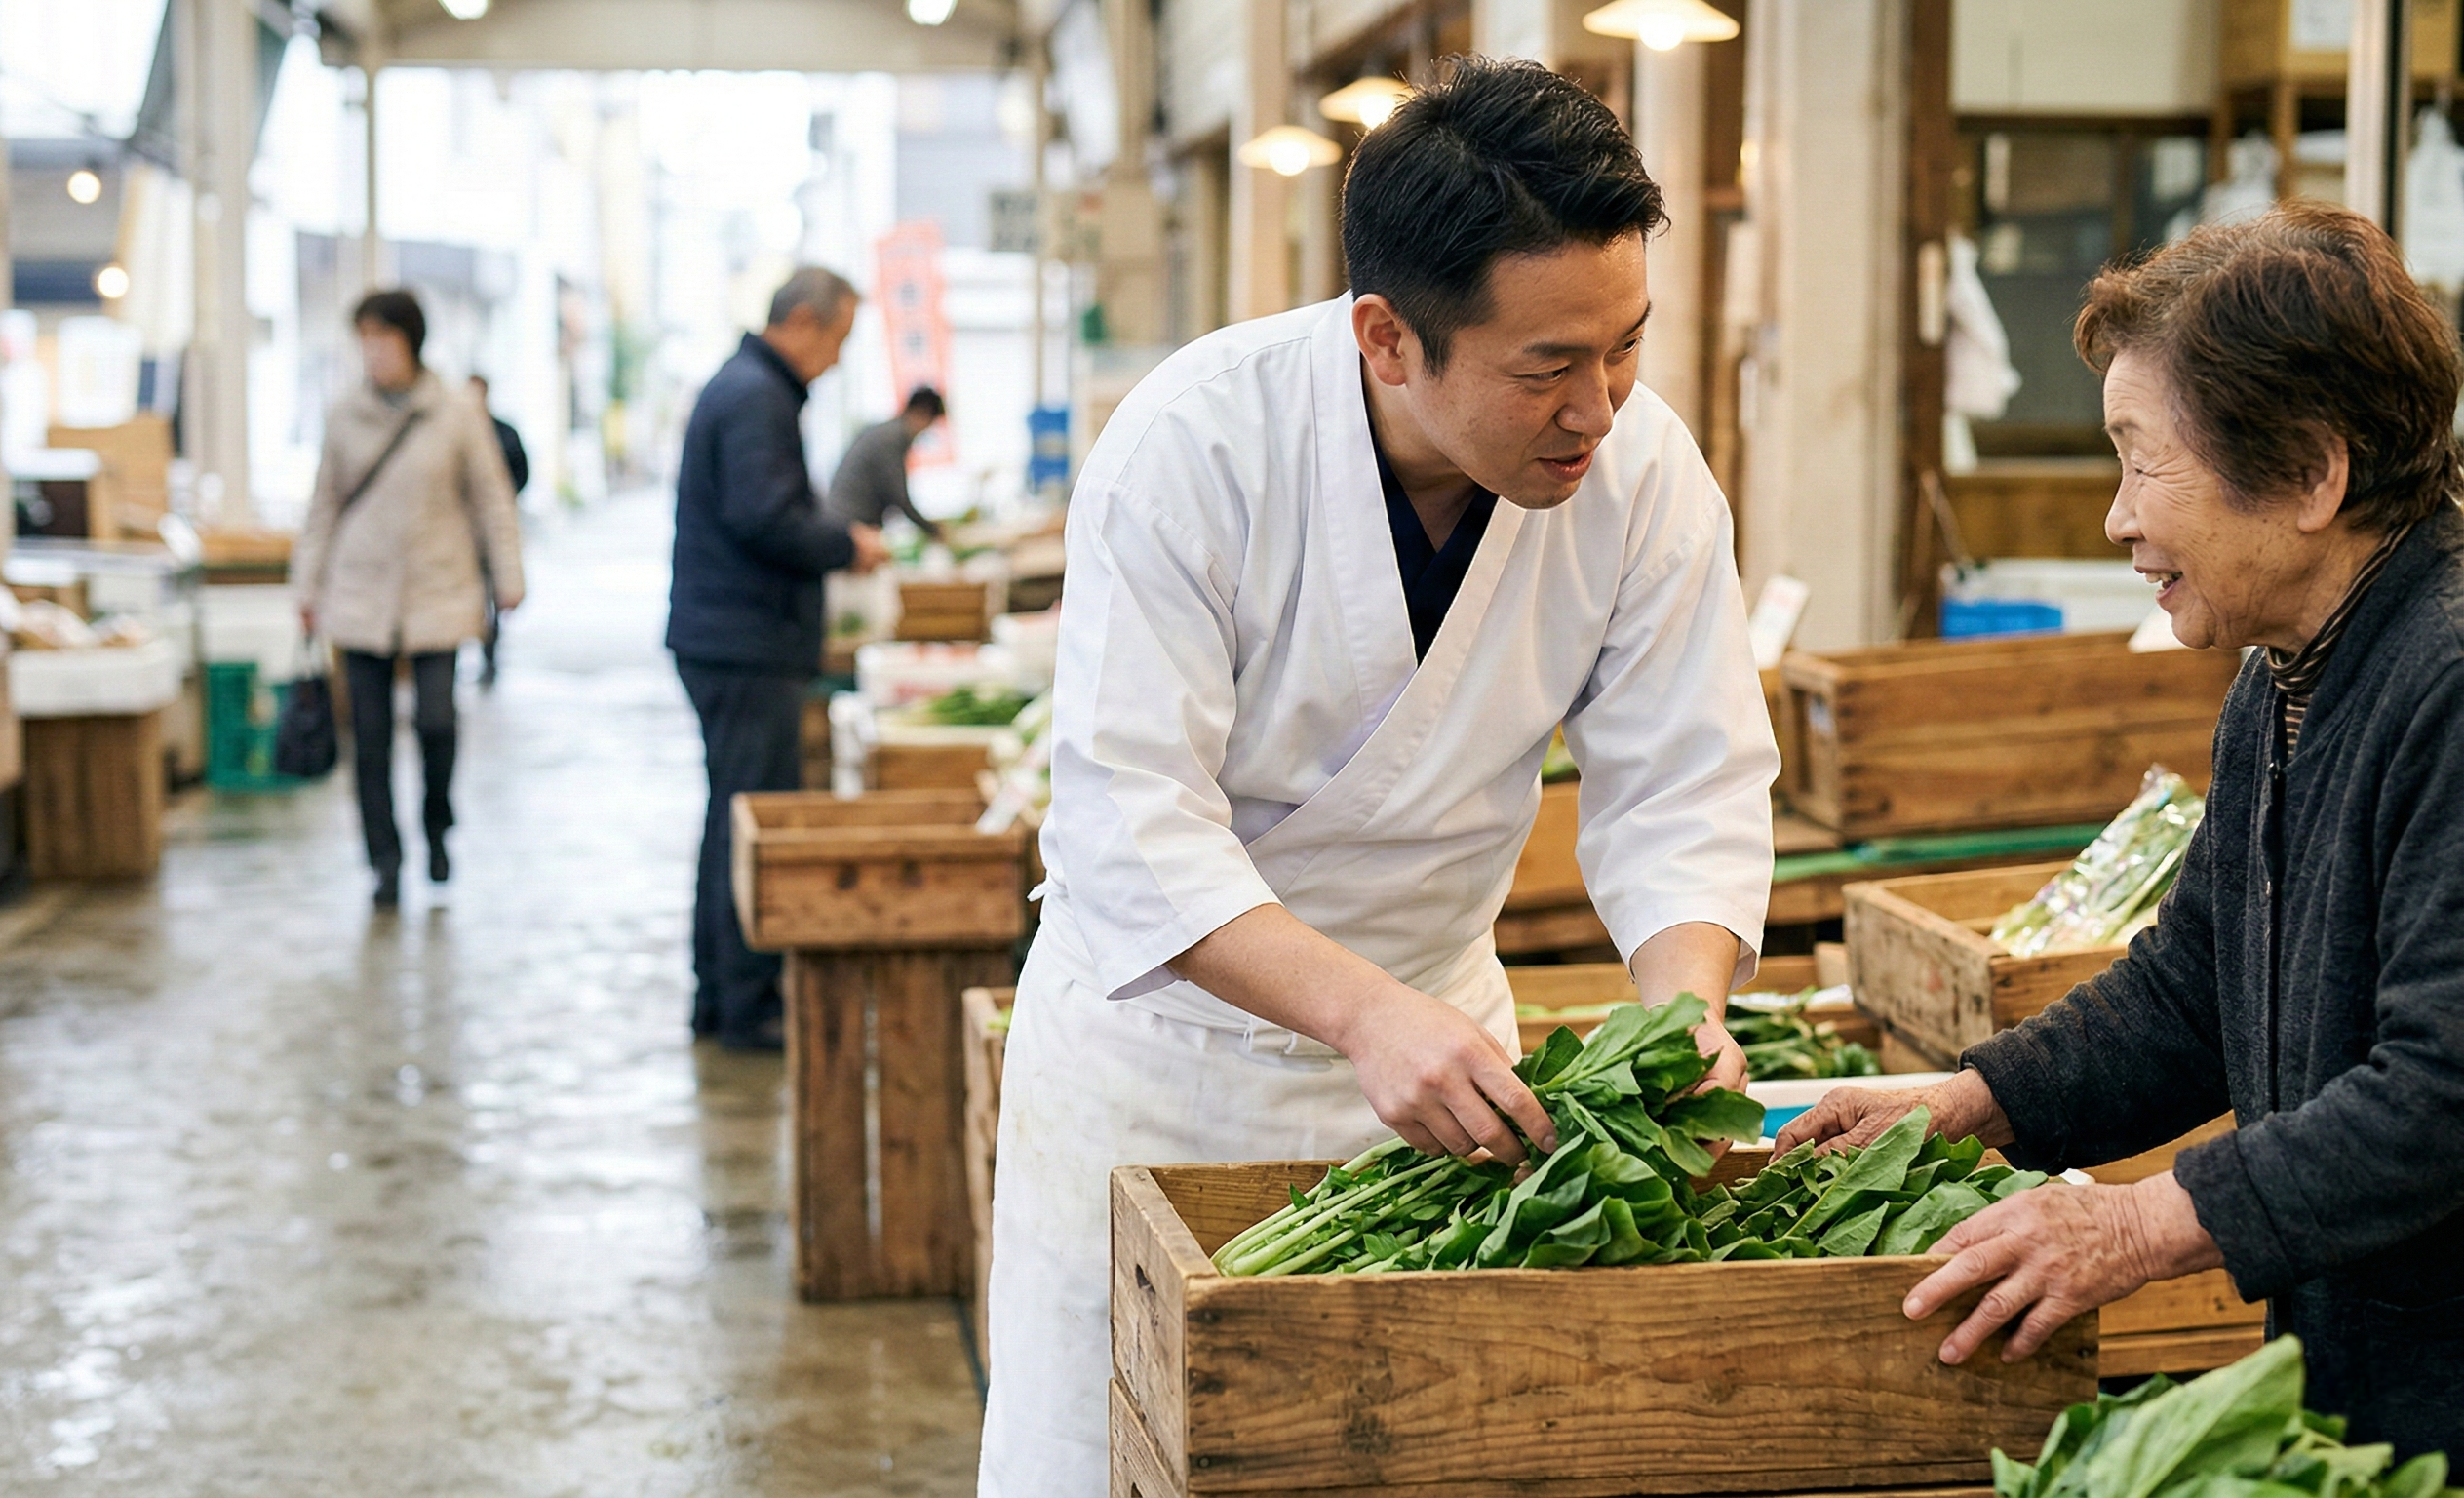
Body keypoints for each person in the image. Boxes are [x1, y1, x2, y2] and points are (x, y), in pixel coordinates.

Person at [977, 59, 1776, 1495]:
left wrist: (1687, 1014)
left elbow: (1685, 780)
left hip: (1450, 1071)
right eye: (1546, 367)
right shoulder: (1195, 444)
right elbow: (1128, 824)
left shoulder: (1646, 475)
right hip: (1164, 1070)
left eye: (1626, 348)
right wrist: (1356, 1017)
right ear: (1387, 338)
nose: (1597, 408)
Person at [1779, 203, 2464, 1457]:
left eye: (2141, 460)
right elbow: (2196, 986)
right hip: (2362, 1375)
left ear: (2311, 471)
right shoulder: (2280, 675)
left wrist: (2139, 1226)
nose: (2114, 519)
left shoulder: (2448, 684)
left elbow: (2442, 1094)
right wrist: (1973, 1102)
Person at [669, 266, 892, 1050]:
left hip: (729, 640)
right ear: (801, 322)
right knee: (748, 823)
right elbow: (765, 517)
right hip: (742, 643)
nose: (834, 360)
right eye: (836, 340)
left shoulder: (746, 389)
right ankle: (746, 1006)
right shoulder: (755, 397)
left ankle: (720, 997)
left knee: (730, 816)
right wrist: (845, 542)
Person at [293, 289, 526, 910]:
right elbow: (324, 506)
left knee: (436, 722)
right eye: (363, 339)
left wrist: (509, 575)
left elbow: (491, 498)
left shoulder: (453, 413)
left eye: (383, 338)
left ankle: (438, 825)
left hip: (438, 590)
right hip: (360, 594)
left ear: (411, 342)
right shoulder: (344, 415)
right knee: (368, 737)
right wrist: (306, 585)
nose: (373, 351)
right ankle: (384, 859)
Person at [468, 374, 528, 686]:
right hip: (461, 536)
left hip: (490, 531)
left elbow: (522, 472)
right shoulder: (456, 434)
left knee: (491, 597)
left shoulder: (503, 433)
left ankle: (490, 657)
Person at [827, 385, 947, 540]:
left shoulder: (887, 432)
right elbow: (898, 496)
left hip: (849, 517)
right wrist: (933, 530)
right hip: (852, 522)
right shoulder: (892, 439)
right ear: (921, 413)